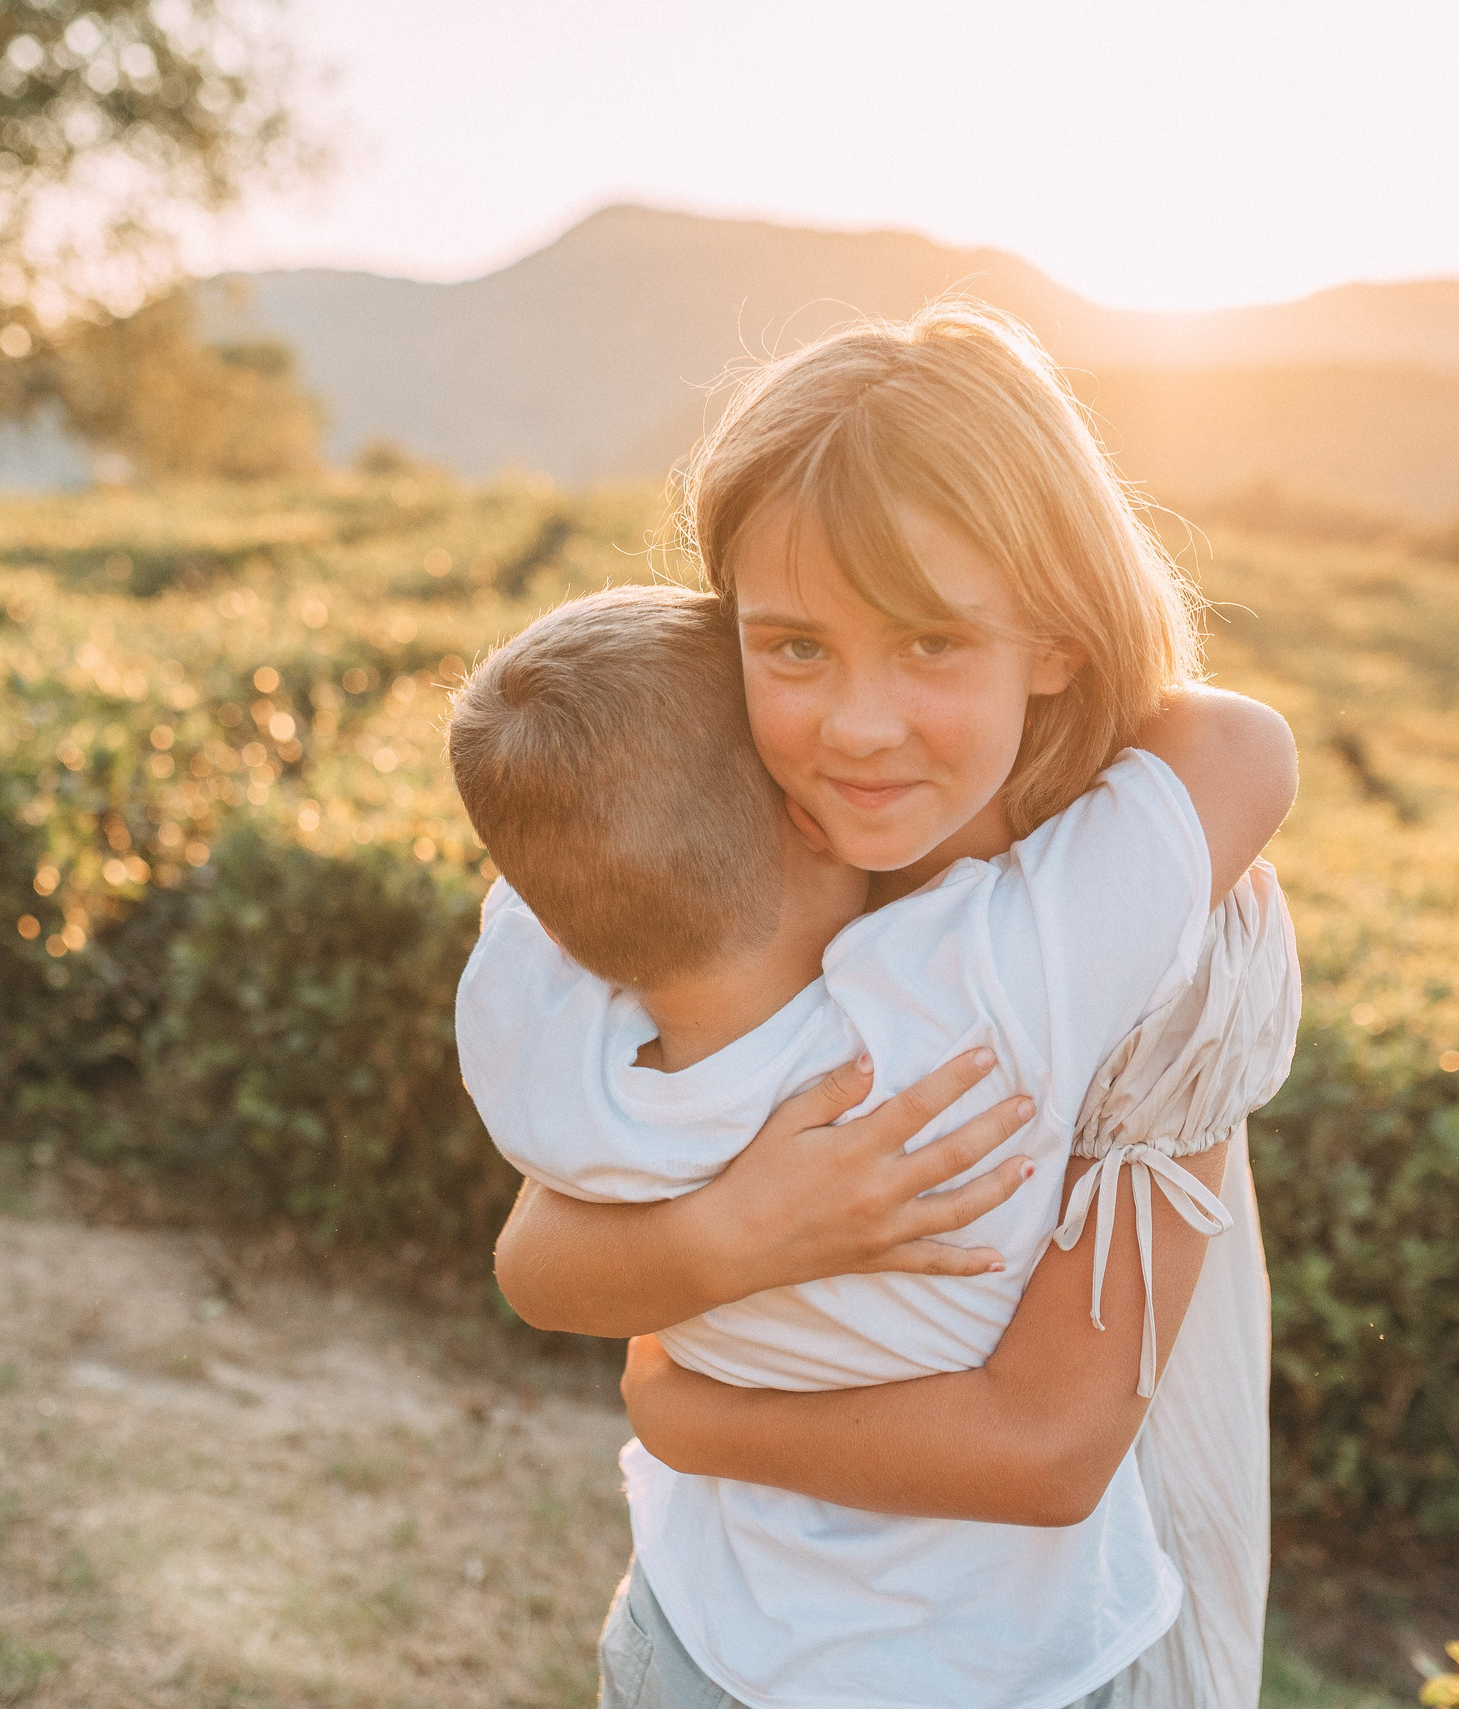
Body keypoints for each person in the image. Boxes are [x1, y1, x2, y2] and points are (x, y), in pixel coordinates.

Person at [460, 303, 1301, 1708]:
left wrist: (689, 1401)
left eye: (929, 642)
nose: (855, 725)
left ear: (1057, 634)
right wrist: (743, 1230)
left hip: (993, 1669)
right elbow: (540, 1257)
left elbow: (1046, 1448)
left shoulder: (1150, 953)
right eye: (792, 646)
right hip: (698, 1625)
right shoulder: (689, 839)